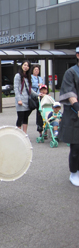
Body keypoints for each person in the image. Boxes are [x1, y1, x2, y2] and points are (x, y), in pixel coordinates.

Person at [58, 43, 79, 186]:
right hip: (74, 115)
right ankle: (74, 172)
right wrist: (77, 107)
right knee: (76, 147)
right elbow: (70, 93)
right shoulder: (71, 72)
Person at [14, 60, 38, 133]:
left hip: (27, 100)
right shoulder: (18, 76)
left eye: (27, 66)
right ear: (21, 65)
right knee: (20, 118)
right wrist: (19, 100)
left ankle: (25, 134)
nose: (26, 67)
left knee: (26, 118)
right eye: (24, 65)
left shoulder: (27, 77)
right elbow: (16, 88)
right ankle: (18, 134)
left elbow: (29, 89)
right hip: (21, 101)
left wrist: (38, 95)